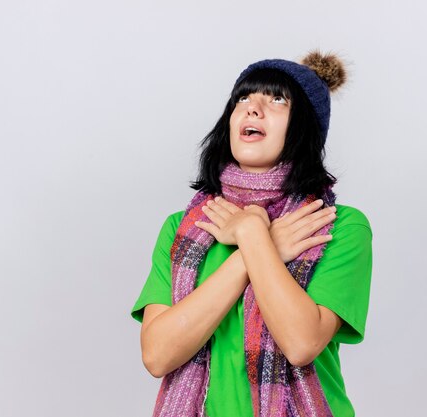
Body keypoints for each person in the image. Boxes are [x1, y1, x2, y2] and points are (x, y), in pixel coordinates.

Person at [130, 50, 373, 417]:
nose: (252, 108)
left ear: (304, 127)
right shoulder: (182, 230)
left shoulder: (336, 226)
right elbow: (158, 355)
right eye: (243, 97)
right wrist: (256, 245)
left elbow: (301, 342)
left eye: (276, 99)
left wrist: (250, 232)